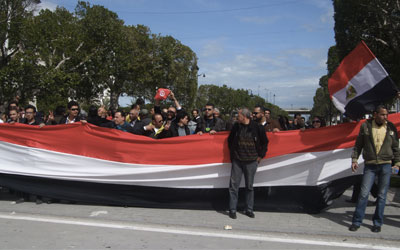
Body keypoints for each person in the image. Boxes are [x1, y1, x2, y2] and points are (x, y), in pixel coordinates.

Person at [349, 105, 400, 233]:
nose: (385, 117)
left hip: (386, 164)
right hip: (370, 165)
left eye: (386, 115)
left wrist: (397, 162)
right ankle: (356, 221)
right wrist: (354, 159)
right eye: (382, 115)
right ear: (375, 114)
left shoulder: (390, 127)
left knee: (382, 196)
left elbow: (395, 147)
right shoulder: (365, 126)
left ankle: (377, 222)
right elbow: (358, 145)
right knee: (364, 194)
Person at [227, 108, 268, 219]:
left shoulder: (257, 127)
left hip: (251, 161)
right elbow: (230, 140)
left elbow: (265, 142)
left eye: (238, 115)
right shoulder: (236, 127)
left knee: (249, 186)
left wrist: (260, 156)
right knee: (233, 186)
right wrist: (233, 153)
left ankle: (249, 209)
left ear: (244, 116)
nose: (237, 117)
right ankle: (232, 209)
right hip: (237, 161)